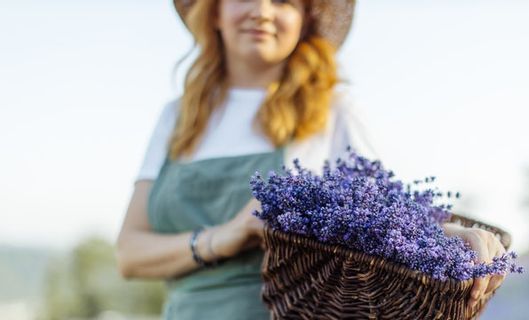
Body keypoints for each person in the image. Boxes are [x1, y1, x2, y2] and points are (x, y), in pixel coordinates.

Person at [116, 0, 506, 318]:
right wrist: (226, 236)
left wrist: (453, 238)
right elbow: (129, 254)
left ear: (305, 18)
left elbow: (384, 217)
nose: (262, 11)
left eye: (283, 1)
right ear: (214, 10)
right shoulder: (178, 117)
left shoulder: (332, 111)